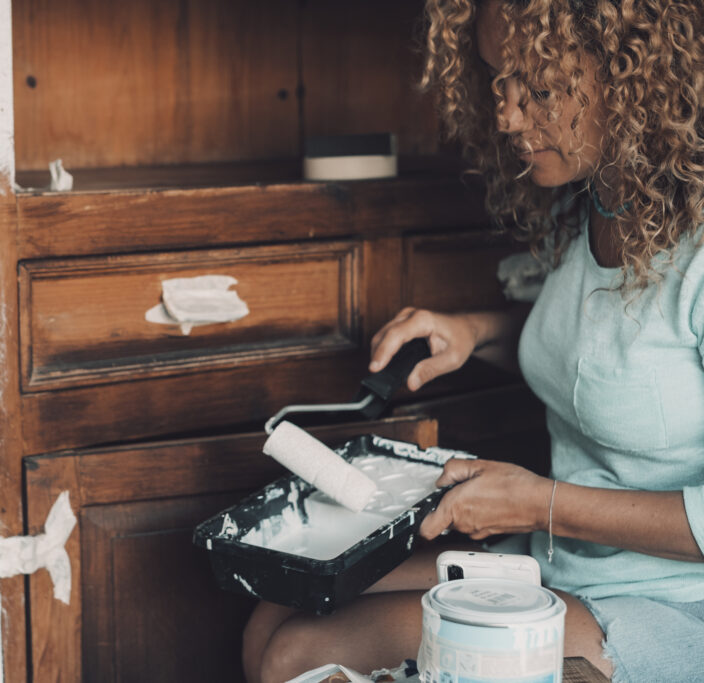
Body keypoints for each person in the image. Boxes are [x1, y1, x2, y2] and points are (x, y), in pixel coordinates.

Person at [242, 0, 704, 681]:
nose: (507, 117)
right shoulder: (602, 202)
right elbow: (617, 357)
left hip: (673, 602)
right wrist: (474, 333)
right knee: (276, 611)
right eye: (498, 81)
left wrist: (538, 502)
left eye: (538, 87)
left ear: (630, 73)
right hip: (563, 557)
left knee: (299, 651)